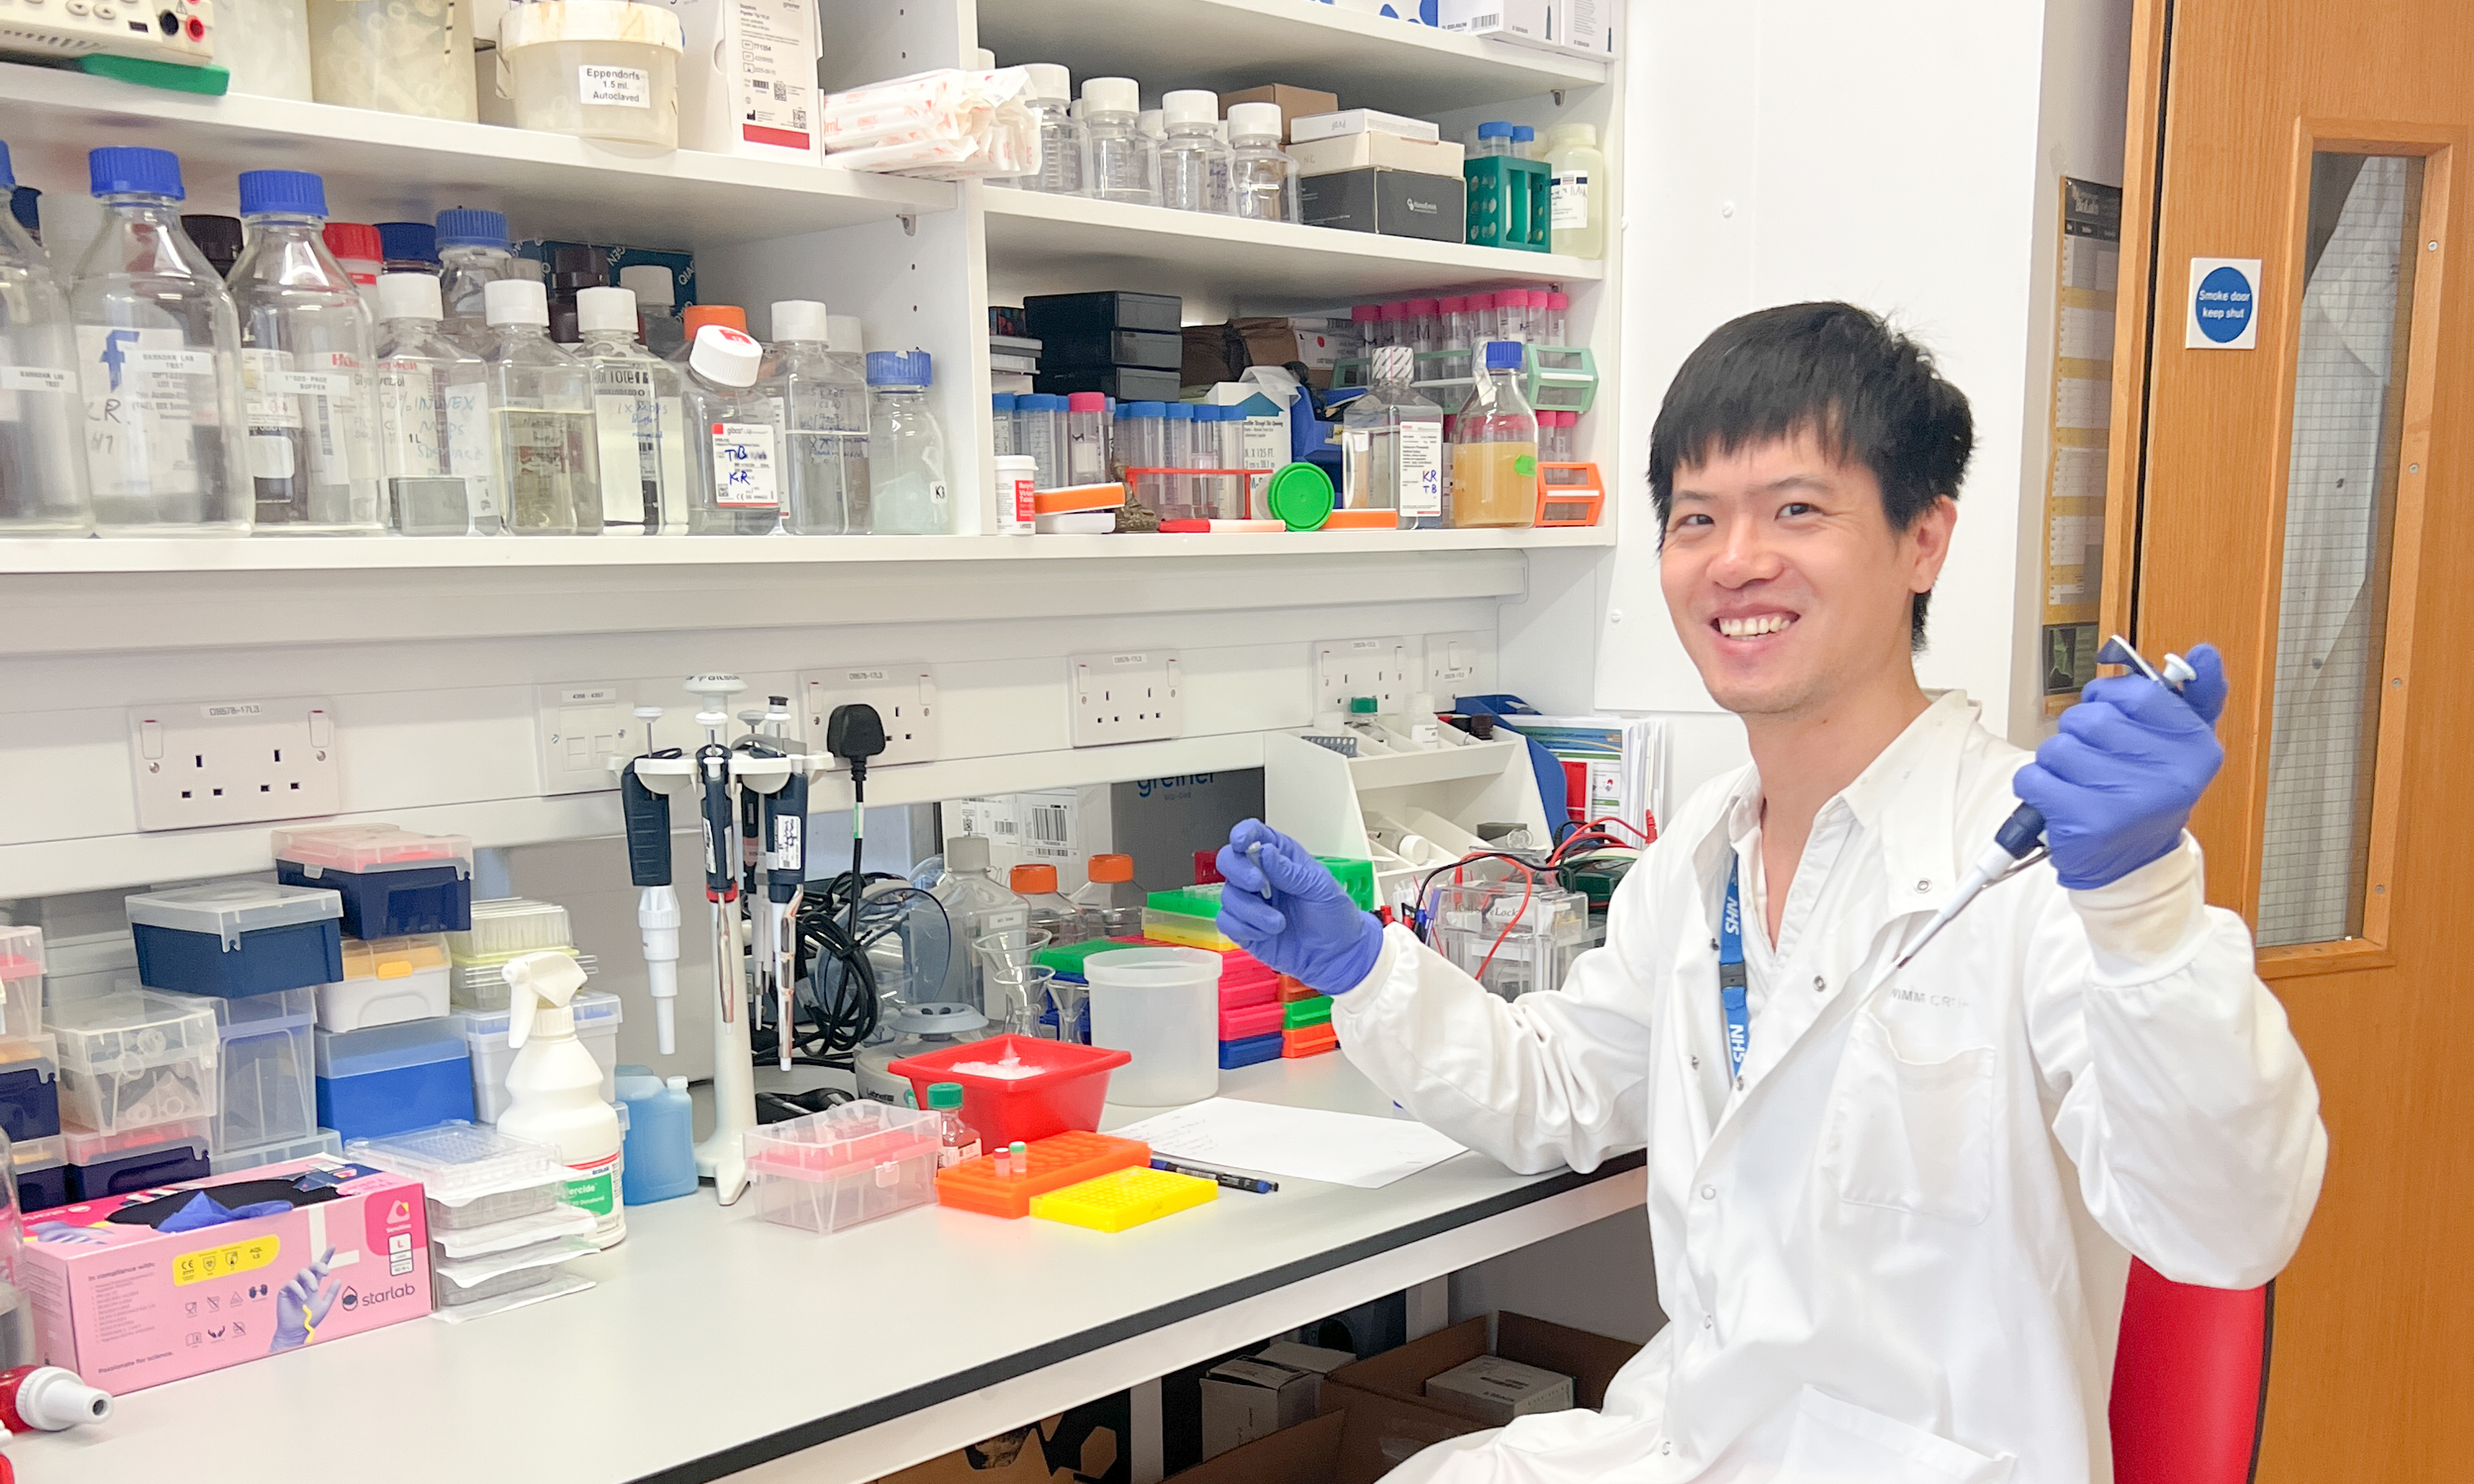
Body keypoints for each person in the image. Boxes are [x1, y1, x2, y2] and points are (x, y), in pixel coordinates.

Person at [1214, 303, 2325, 1484]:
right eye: (1697, 518)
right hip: (1695, 1439)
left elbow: (2227, 1226)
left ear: (1923, 540)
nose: (1736, 559)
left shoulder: (2043, 869)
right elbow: (1563, 1089)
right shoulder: (1707, 847)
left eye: (1797, 510)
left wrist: (2144, 908)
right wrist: (1369, 969)